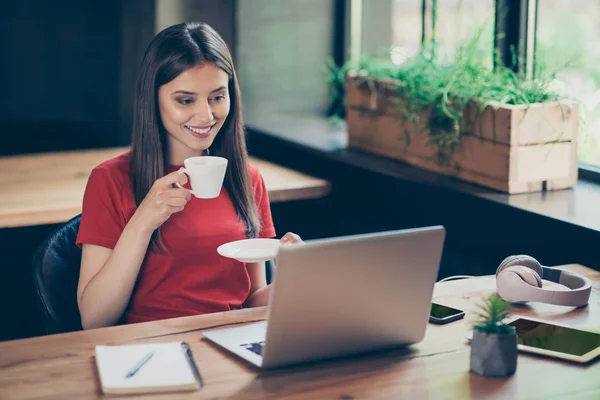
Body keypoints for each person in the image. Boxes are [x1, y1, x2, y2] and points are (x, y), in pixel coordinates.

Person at [76, 22, 302, 330]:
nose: (206, 116)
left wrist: (296, 279)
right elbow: (94, 319)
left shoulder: (247, 179)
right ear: (153, 99)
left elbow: (249, 300)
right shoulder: (111, 179)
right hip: (152, 348)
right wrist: (142, 223)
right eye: (185, 100)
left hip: (231, 342)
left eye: (217, 97)